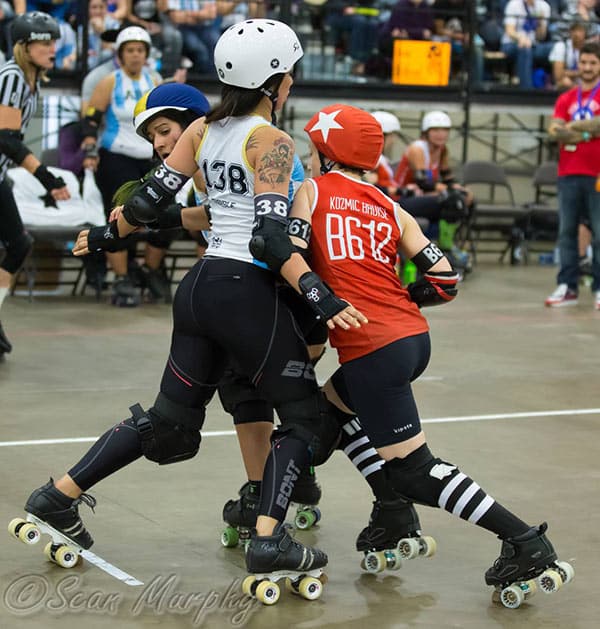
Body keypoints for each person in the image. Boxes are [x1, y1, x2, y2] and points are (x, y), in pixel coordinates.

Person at [21, 19, 365, 597]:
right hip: (247, 293)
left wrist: (107, 238)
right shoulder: (272, 141)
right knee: (305, 419)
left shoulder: (202, 129)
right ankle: (269, 539)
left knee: (170, 424)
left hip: (198, 289)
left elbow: (153, 199)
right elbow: (271, 240)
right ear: (276, 82)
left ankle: (57, 498)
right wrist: (320, 296)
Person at [289, 103, 573, 606]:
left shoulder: (312, 191)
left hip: (375, 348)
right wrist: (401, 298)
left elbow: (286, 254)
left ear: (328, 154)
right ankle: (393, 514)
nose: (310, 159)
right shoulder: (388, 203)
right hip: (410, 339)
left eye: (315, 150)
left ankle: (524, 540)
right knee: (332, 414)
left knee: (415, 469)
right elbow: (445, 281)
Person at [0, 11, 70, 360]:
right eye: (43, 42)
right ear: (24, 47)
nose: (51, 48)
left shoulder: (31, 79)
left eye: (52, 41)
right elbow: (7, 140)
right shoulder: (12, 77)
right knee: (17, 243)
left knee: (18, 244)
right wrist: (47, 177)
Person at [80, 25, 163, 306]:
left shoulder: (155, 80)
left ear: (146, 54)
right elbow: (90, 120)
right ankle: (122, 278)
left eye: (140, 50)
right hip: (116, 156)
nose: (135, 55)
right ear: (121, 54)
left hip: (150, 158)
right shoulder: (110, 82)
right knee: (122, 217)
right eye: (130, 50)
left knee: (167, 217)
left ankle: (151, 271)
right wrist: (90, 149)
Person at [545, 40, 600, 309]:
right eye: (584, 62)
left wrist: (575, 127)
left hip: (598, 174)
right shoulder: (565, 98)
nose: (587, 67)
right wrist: (589, 132)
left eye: (593, 63)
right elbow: (554, 131)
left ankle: (599, 287)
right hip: (568, 173)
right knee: (566, 232)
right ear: (578, 65)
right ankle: (568, 285)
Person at [394, 110, 472, 274]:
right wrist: (450, 190)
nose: (440, 134)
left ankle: (447, 245)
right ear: (426, 132)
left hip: (422, 198)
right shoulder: (417, 149)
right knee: (452, 200)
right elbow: (424, 182)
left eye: (444, 130)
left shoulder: (442, 151)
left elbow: (448, 177)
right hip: (401, 199)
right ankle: (445, 250)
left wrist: (460, 190)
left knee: (463, 198)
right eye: (435, 130)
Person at [500, 0, 553, 90]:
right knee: (525, 49)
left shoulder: (544, 6)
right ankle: (526, 91)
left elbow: (541, 37)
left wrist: (540, 23)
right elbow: (510, 31)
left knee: (556, 48)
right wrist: (521, 38)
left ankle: (553, 87)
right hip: (511, 44)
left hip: (534, 45)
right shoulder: (514, 4)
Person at [549, 19, 588, 90]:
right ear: (570, 32)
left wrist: (567, 72)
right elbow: (558, 75)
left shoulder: (589, 48)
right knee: (564, 81)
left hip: (585, 83)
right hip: (567, 85)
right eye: (574, 30)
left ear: (585, 33)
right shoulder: (561, 46)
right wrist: (579, 73)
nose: (577, 34)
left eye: (580, 30)